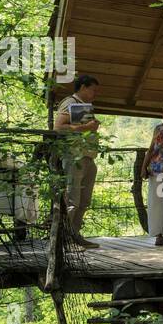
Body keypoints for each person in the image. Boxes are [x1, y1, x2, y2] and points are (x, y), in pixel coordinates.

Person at [53, 74, 101, 247]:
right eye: (93, 90)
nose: (95, 94)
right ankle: (63, 236)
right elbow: (58, 127)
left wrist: (90, 128)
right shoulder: (70, 102)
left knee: (84, 200)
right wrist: (85, 128)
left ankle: (74, 234)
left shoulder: (84, 106)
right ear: (83, 87)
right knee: (72, 199)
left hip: (88, 157)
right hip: (74, 157)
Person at [141, 102, 163, 247]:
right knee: (155, 203)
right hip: (155, 171)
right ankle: (159, 234)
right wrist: (143, 167)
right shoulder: (158, 128)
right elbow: (150, 149)